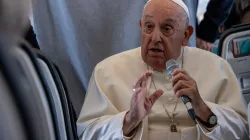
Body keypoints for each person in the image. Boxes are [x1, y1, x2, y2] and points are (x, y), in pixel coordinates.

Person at [77, 0, 248, 139]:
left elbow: (241, 132)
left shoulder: (216, 67)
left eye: (167, 29)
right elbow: (87, 134)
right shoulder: (107, 71)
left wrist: (201, 107)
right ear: (140, 26)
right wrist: (130, 119)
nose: (155, 38)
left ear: (186, 35)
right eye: (149, 27)